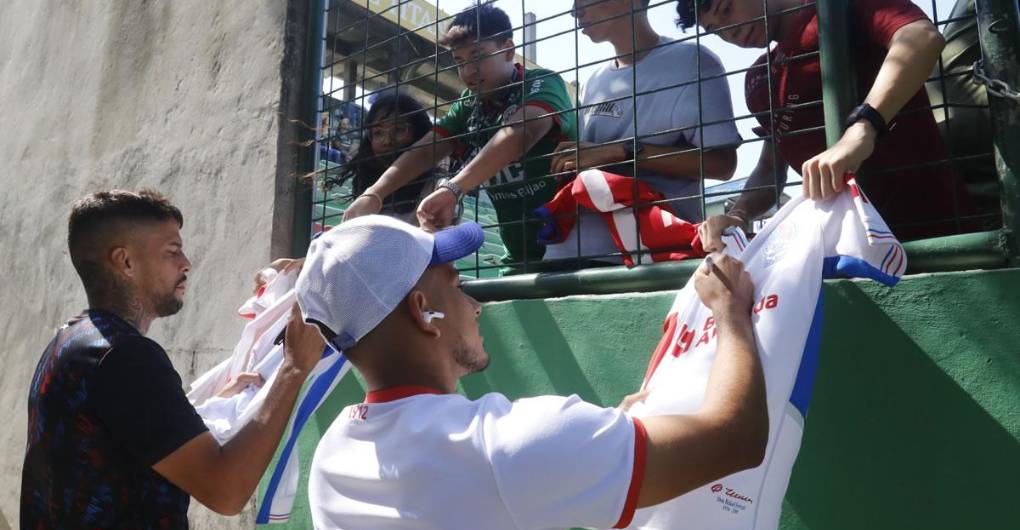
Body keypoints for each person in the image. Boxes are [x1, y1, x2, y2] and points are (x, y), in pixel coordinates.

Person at [301, 215, 768, 530]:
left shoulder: (330, 454)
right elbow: (737, 438)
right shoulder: (506, 445)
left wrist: (602, 436)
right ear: (425, 312)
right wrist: (729, 310)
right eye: (458, 287)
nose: (476, 306)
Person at [20, 189, 325, 530]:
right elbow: (226, 490)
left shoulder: (71, 341)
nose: (187, 263)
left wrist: (199, 407)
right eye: (172, 251)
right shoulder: (126, 357)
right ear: (125, 261)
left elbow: (121, 444)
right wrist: (293, 370)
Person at [687, 0, 999, 250]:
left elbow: (920, 36)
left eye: (727, 9)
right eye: (717, 31)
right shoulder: (758, 79)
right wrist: (738, 214)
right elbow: (770, 168)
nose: (731, 32)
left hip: (936, 233)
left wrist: (863, 127)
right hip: (845, 251)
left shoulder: (841, 7)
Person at [343, 3, 578, 273]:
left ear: (509, 50)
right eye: (459, 62)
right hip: (518, 256)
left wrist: (453, 188)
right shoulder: (468, 104)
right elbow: (426, 150)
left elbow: (520, 134)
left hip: (572, 246)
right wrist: (374, 194)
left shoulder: (542, 82)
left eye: (477, 57)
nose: (468, 72)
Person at [546, 0, 741, 265]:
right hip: (567, 252)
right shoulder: (593, 80)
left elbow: (723, 164)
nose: (575, 10)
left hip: (649, 257)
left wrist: (621, 152)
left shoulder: (691, 61)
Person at [328, 92, 436, 224]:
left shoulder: (435, 186)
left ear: (419, 133)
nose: (387, 141)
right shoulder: (365, 180)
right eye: (378, 133)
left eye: (399, 130)